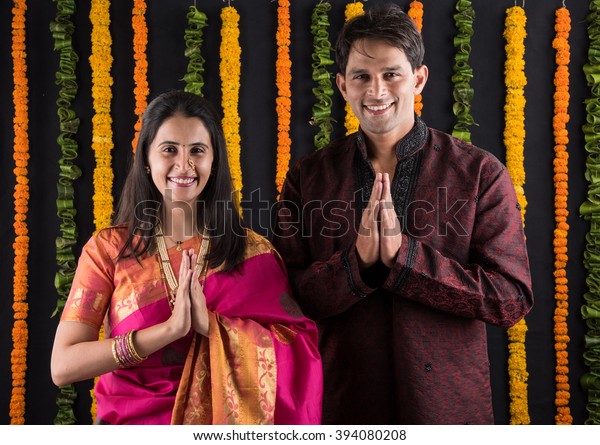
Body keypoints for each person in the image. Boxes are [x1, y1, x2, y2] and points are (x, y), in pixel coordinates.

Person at [272, 4, 533, 425]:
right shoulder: (309, 177)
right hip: (344, 404)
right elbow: (285, 301)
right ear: (342, 85)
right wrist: (356, 265)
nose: (376, 91)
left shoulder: (478, 173)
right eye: (361, 76)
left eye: (392, 73)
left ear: (419, 78)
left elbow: (511, 299)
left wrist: (406, 259)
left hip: (447, 411)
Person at [51, 90, 322, 425]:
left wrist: (209, 326)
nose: (184, 164)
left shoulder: (253, 253)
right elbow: (62, 366)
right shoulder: (109, 249)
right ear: (147, 160)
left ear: (214, 161)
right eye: (169, 150)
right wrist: (165, 332)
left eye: (198, 150)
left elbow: (299, 354)